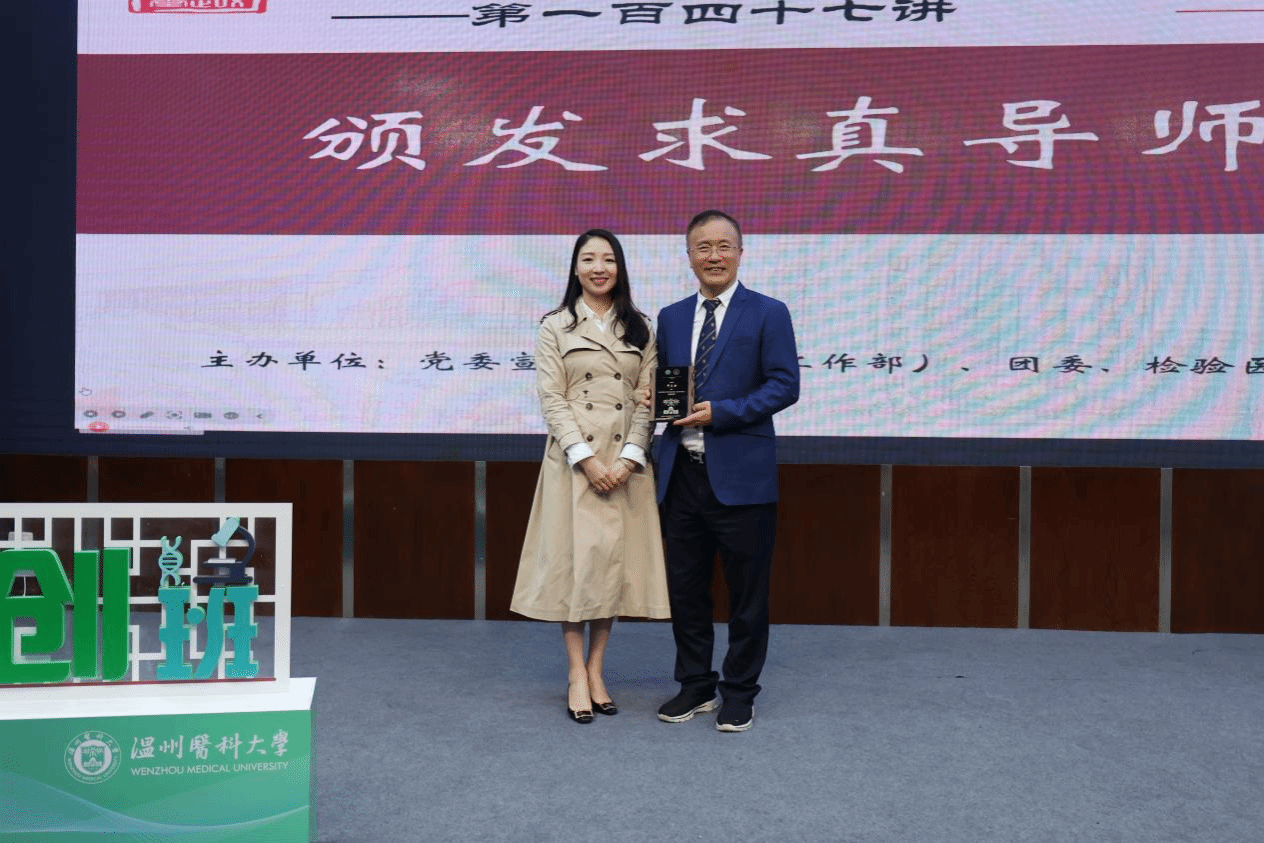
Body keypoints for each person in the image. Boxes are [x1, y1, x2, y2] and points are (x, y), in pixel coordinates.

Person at [511, 229, 671, 724]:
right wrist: (585, 458)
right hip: (573, 463)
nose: (599, 268)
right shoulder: (555, 325)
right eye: (588, 259)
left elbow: (647, 399)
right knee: (572, 566)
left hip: (625, 465)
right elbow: (552, 398)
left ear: (620, 268)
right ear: (576, 268)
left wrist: (629, 457)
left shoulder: (641, 327)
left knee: (609, 569)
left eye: (608, 259)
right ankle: (575, 673)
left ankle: (597, 670)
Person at [653, 210, 800, 732]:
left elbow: (785, 384)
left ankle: (740, 691)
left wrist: (724, 412)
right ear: (689, 255)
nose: (713, 256)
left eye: (723, 246)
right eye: (703, 247)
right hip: (680, 475)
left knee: (747, 594)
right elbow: (667, 383)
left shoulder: (768, 312)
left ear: (740, 252)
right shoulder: (670, 316)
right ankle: (696, 684)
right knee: (686, 590)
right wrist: (654, 400)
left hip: (742, 475)